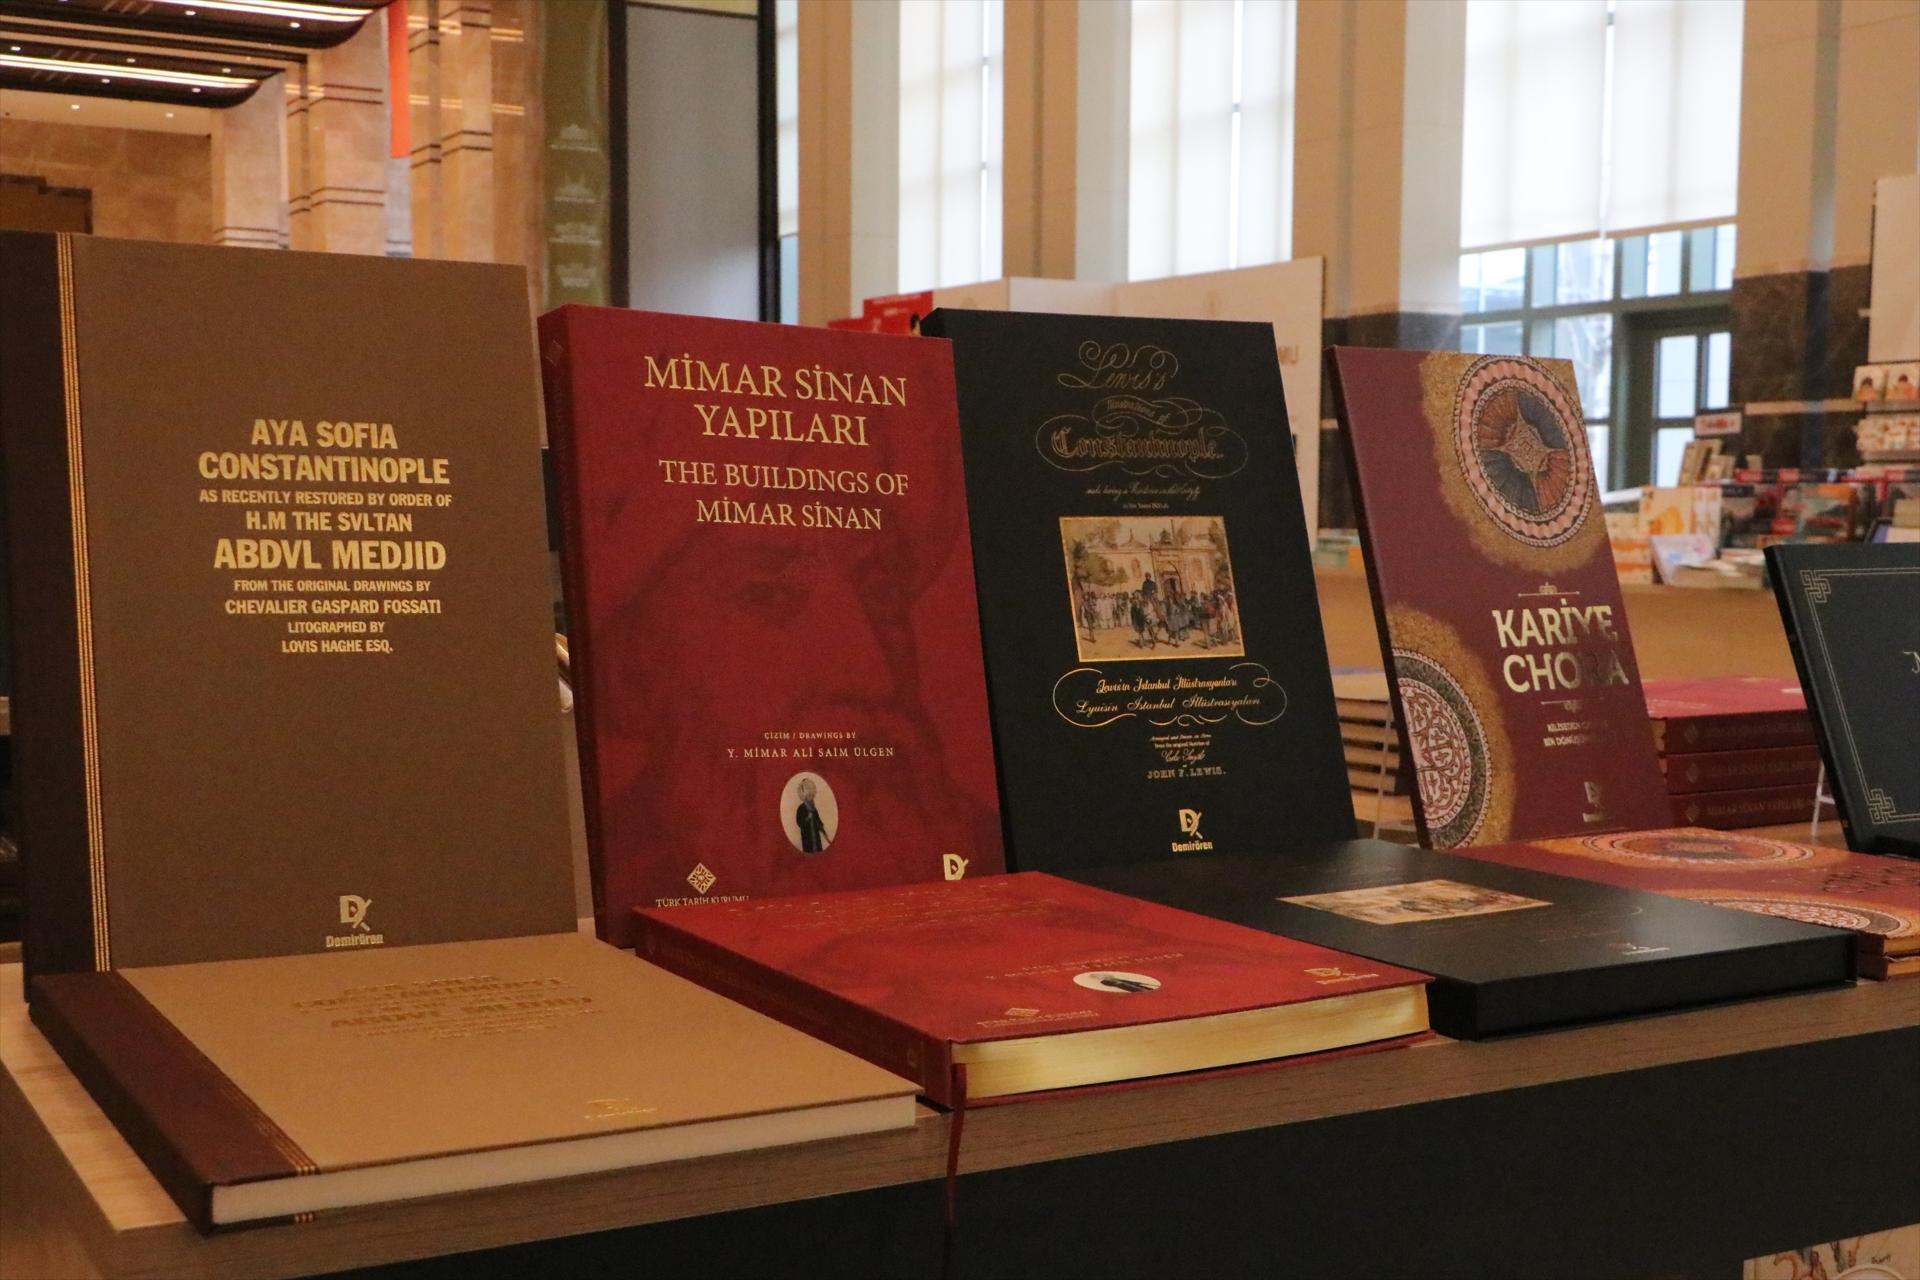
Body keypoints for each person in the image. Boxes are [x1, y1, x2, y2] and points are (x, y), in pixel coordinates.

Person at [794, 776, 831, 853]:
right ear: (805, 795)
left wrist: (824, 833)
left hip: (816, 838)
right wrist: (807, 818)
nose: (811, 797)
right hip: (807, 838)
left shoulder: (813, 808)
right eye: (809, 795)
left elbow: (818, 821)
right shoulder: (801, 808)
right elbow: (799, 823)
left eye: (812, 795)